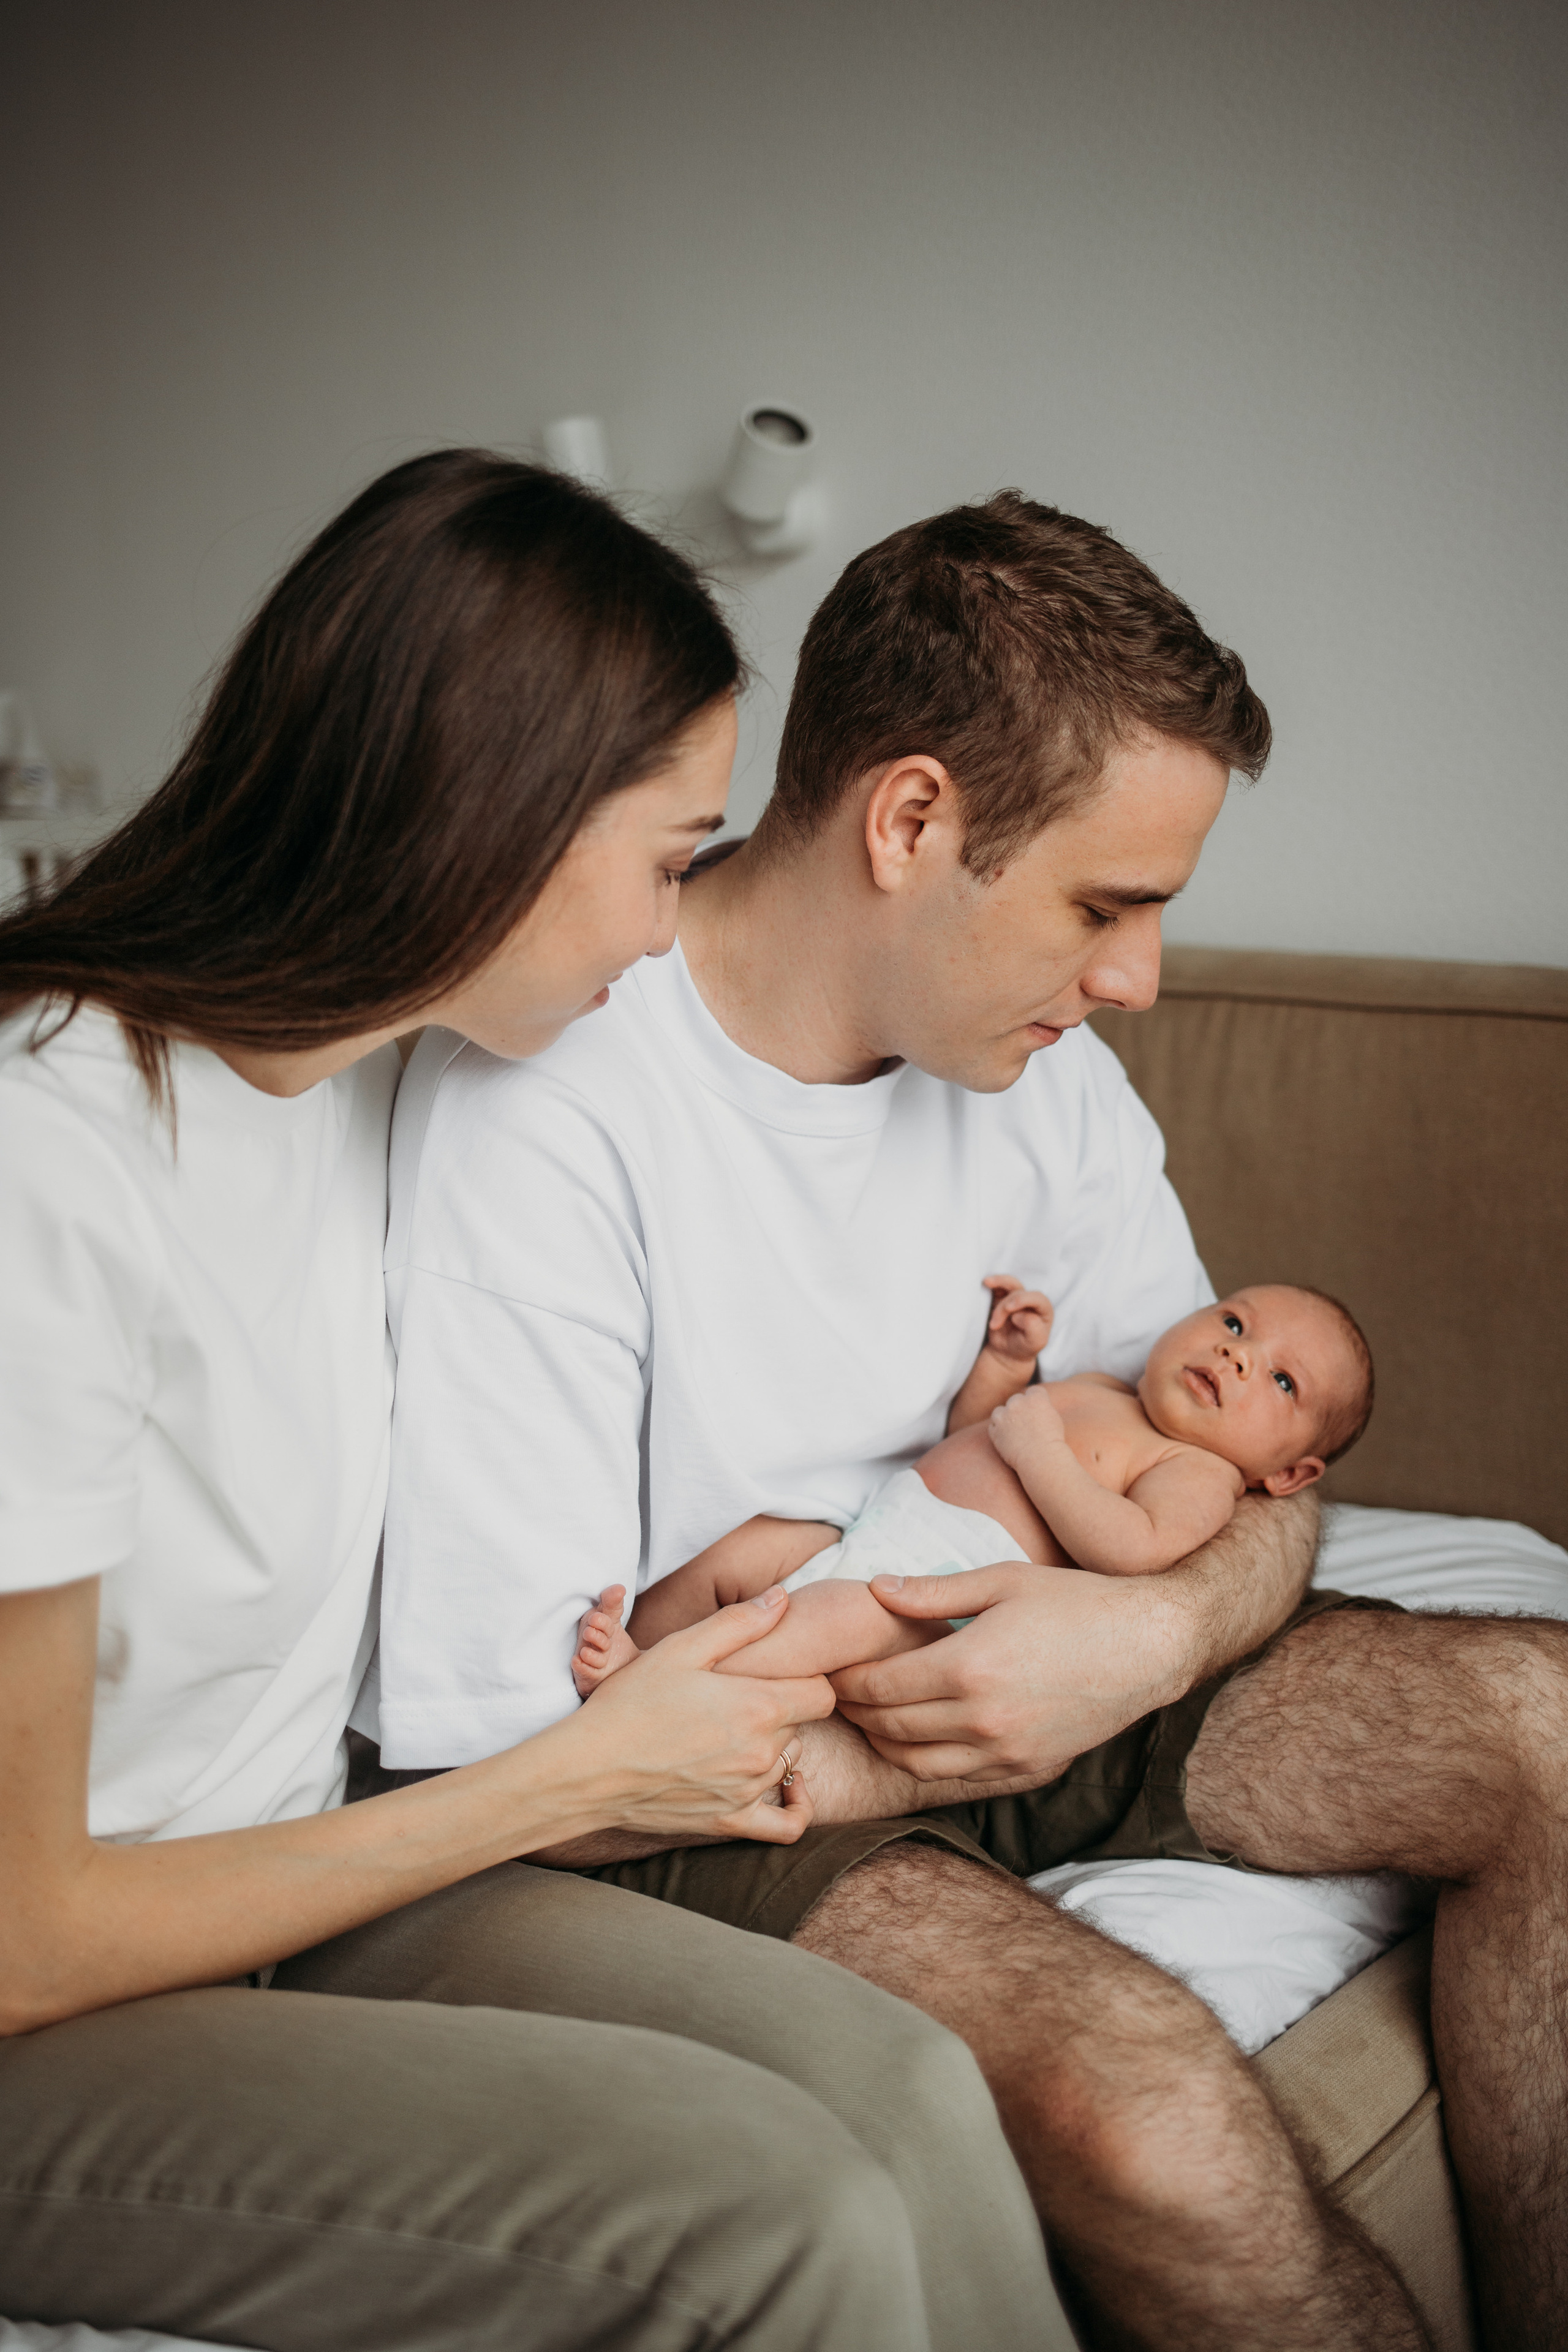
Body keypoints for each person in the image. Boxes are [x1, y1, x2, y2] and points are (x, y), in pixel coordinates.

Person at [379, 492, 1568, 2350]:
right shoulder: (555, 1106)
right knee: (1152, 2118)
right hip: (753, 1782)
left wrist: (1151, 1629)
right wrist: (919, 1745)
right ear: (912, 820)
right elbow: (524, 1761)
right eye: (1108, 905)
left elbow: (1241, 1475)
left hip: (1060, 1664)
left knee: (1550, 1726)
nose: (1135, 981)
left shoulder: (1044, 1084)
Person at [0, 453, 1065, 2352]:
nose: (671, 937)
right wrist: (570, 1779)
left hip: (297, 1890)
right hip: (67, 1998)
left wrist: (692, 1603)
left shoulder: (361, 1086)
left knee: (907, 2096)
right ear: (478, 811)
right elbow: (30, 1934)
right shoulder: (54, 1161)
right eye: (669, 859)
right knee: (784, 2216)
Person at [569, 1281, 1375, 1693]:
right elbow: (978, 1430)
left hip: (932, 1604)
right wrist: (1007, 1367)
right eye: (1235, 1324)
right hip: (868, 1530)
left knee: (828, 1619)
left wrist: (1043, 1457)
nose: (1238, 1355)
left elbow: (1134, 1549)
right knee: (748, 1548)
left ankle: (663, 1693)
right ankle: (647, 1644)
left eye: (1280, 1380)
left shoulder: (1199, 1475)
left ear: (1290, 1474)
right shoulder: (1100, 1387)